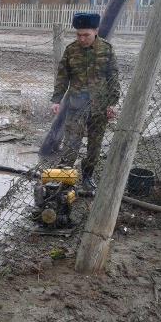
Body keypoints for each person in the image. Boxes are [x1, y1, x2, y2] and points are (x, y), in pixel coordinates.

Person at [50, 12, 120, 191]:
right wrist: (56, 100)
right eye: (79, 35)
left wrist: (112, 103)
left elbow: (113, 78)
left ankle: (87, 177)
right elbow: (62, 77)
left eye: (86, 35)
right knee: (71, 143)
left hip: (100, 107)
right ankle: (65, 179)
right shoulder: (71, 50)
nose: (82, 39)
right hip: (76, 106)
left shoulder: (107, 50)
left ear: (96, 31)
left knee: (94, 145)